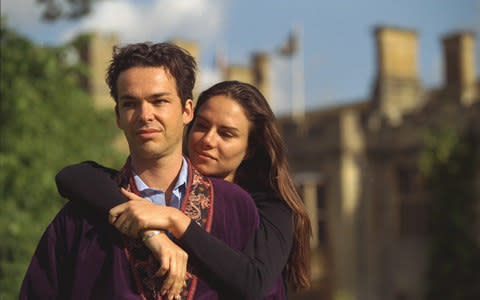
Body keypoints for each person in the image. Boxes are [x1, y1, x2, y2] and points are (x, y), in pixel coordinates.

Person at [19, 43, 261, 300]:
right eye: (131, 103)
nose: (145, 114)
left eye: (159, 101)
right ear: (118, 116)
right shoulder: (80, 219)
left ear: (187, 110)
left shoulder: (235, 207)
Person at [55, 81, 312, 299]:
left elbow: (254, 281)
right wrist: (151, 233)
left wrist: (175, 220)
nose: (208, 140)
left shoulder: (271, 207)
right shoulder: (148, 190)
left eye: (226, 134)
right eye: (202, 126)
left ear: (251, 148)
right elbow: (72, 176)